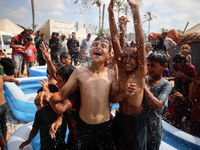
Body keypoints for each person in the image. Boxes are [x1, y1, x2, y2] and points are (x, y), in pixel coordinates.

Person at [36, 36, 130, 150]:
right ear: (90, 51)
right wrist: (48, 95)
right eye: (95, 45)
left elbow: (113, 98)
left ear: (109, 54)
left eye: (103, 46)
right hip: (84, 126)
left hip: (104, 125)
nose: (98, 47)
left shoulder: (111, 74)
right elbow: (62, 94)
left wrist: (125, 93)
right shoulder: (79, 72)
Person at [109, 0, 147, 149]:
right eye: (125, 56)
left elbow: (140, 41)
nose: (127, 60)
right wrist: (110, 12)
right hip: (120, 117)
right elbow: (114, 39)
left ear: (139, 60)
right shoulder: (122, 71)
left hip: (135, 121)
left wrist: (135, 10)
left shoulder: (140, 73)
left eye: (133, 57)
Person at [19, 84, 67, 150]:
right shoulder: (63, 111)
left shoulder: (40, 113)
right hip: (61, 146)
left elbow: (34, 130)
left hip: (46, 147)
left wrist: (28, 141)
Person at [144, 51, 173, 150]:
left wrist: (144, 88)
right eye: (148, 65)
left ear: (164, 66)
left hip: (154, 130)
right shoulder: (144, 80)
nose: (149, 68)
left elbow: (157, 105)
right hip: (140, 126)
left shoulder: (166, 85)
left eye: (153, 65)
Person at [0, 75, 20, 150]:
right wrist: (16, 81)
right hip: (4, 105)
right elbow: (10, 79)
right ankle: (4, 141)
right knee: (3, 125)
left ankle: (4, 146)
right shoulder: (1, 77)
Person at [189, 72, 200, 137]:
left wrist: (190, 88)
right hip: (195, 114)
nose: (195, 80)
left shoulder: (198, 90)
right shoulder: (197, 87)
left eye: (198, 79)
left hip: (197, 117)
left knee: (194, 135)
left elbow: (191, 99)